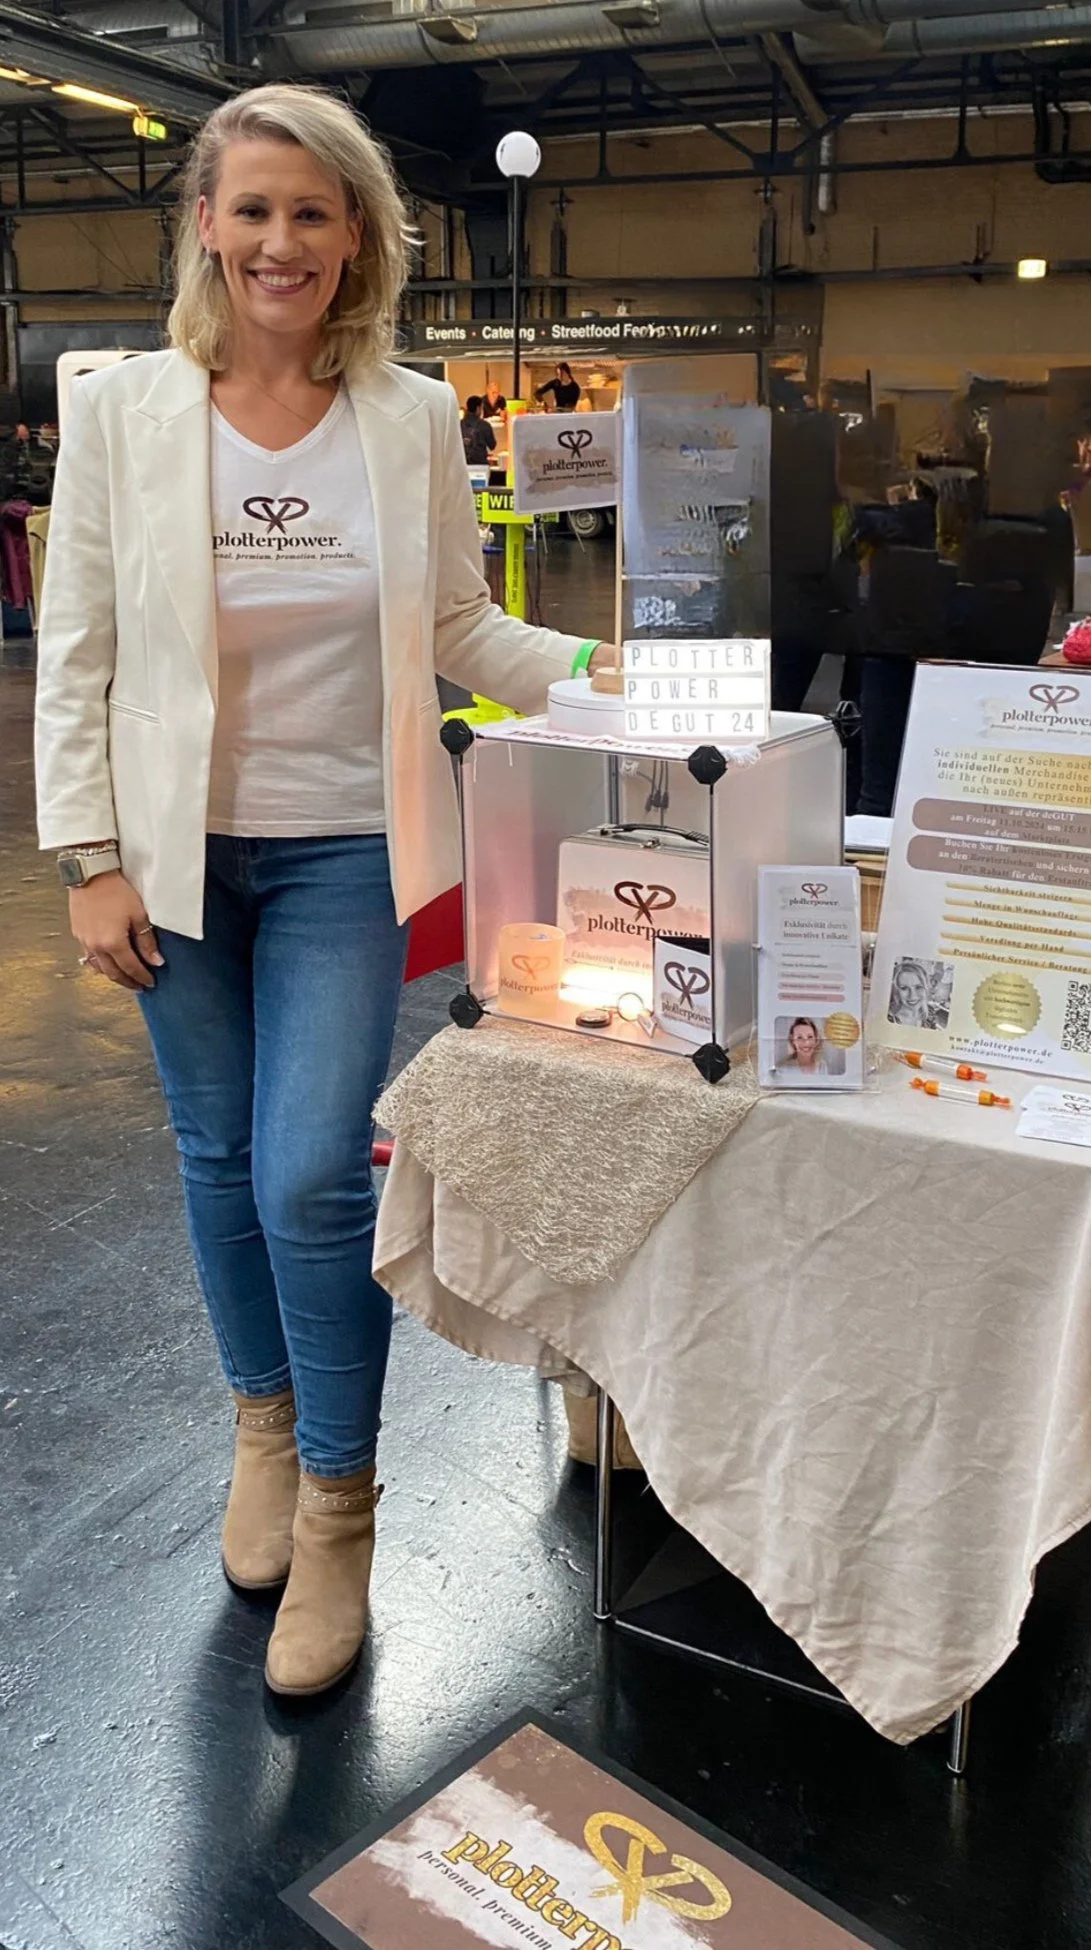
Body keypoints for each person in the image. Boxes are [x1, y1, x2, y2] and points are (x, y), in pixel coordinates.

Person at [34, 83, 612, 1701]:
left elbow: (458, 626)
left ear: (357, 234)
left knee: (305, 1171)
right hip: (170, 859)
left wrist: (614, 676)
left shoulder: (408, 416)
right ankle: (265, 1434)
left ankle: (343, 1507)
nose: (279, 240)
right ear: (204, 225)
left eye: (312, 210)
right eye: (252, 209)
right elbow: (78, 649)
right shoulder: (127, 412)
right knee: (218, 1158)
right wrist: (87, 856)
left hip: (347, 844)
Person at [461, 393, 496, 467]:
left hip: (463, 465)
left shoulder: (459, 424)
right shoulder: (484, 425)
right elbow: (492, 446)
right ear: (478, 408)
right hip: (480, 465)